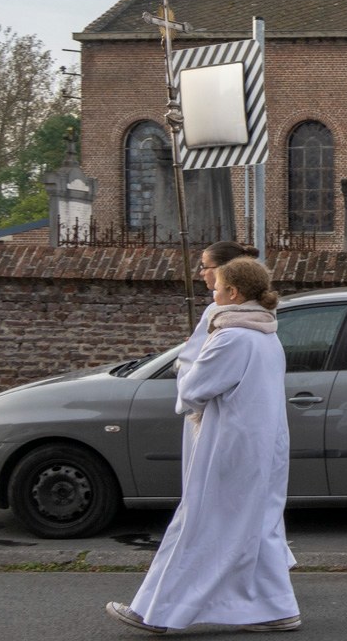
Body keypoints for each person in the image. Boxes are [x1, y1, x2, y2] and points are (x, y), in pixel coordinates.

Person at [107, 257, 298, 634]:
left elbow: (193, 389)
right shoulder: (267, 334)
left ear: (234, 293)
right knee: (257, 526)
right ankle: (277, 607)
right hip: (263, 446)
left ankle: (158, 612)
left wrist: (188, 365)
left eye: (216, 287)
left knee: (199, 525)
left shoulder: (231, 337)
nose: (212, 293)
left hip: (229, 446)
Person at [182, 242, 257, 366]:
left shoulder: (220, 312)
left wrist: (192, 352)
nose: (202, 273)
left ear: (223, 269)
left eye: (205, 267)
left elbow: (197, 365)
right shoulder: (258, 308)